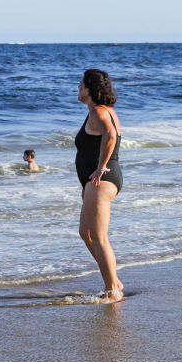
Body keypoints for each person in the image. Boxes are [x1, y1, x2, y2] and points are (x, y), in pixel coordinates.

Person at [75, 68, 124, 301]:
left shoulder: (97, 112)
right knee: (86, 233)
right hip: (96, 183)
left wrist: (100, 168)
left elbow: (111, 136)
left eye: (81, 83)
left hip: (101, 181)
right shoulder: (103, 111)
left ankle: (112, 291)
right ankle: (114, 280)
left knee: (99, 237)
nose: (78, 87)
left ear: (90, 89)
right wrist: (86, 184)